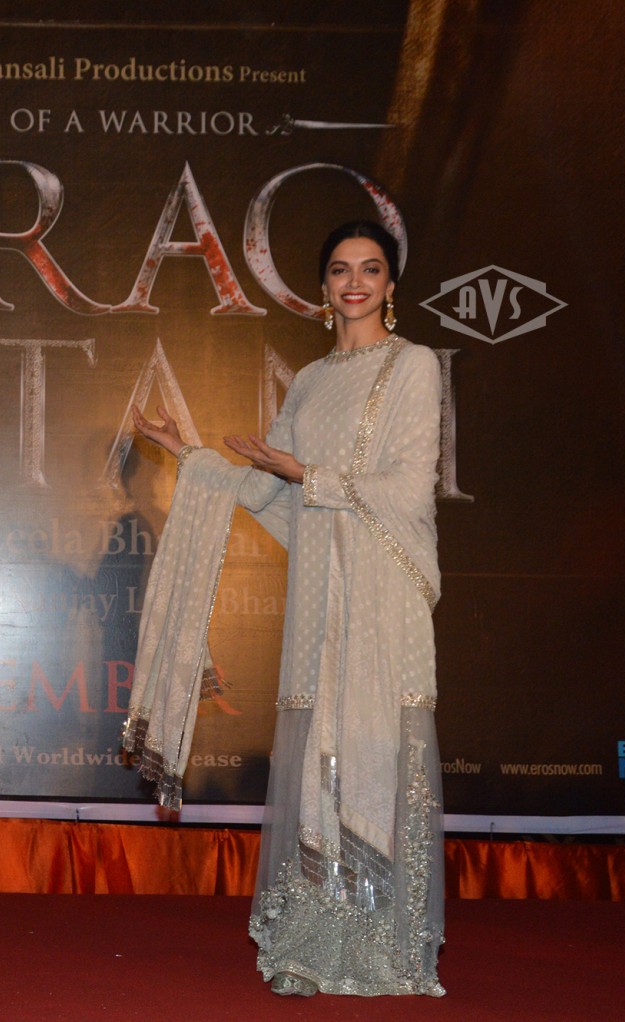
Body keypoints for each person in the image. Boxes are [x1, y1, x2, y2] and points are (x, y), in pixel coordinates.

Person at [124, 220, 445, 997]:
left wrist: (309, 474)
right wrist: (186, 453)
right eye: (340, 270)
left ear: (391, 286)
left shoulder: (413, 364)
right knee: (315, 758)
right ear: (322, 288)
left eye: (371, 269)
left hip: (382, 591)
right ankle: (312, 944)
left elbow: (410, 489)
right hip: (317, 598)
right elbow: (267, 489)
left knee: (369, 749)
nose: (355, 282)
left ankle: (378, 949)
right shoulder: (307, 381)